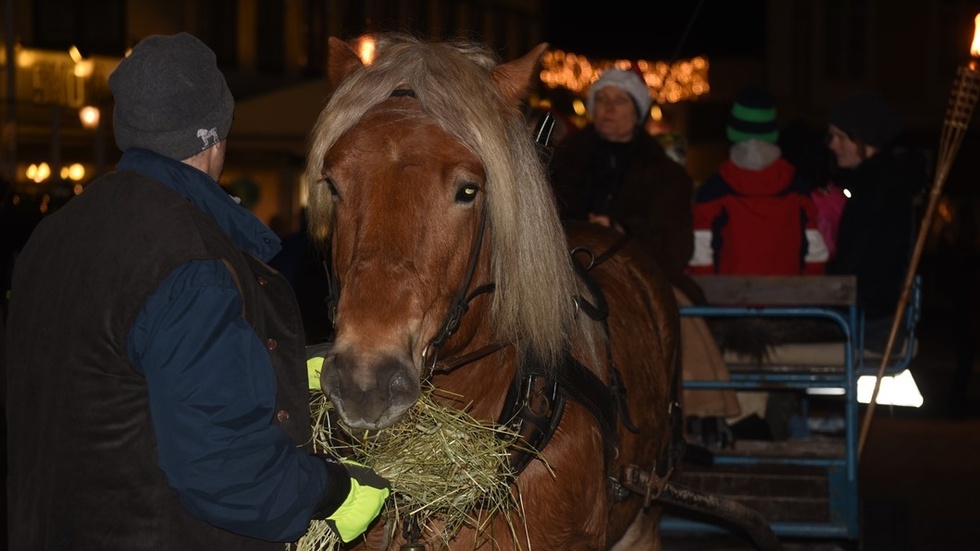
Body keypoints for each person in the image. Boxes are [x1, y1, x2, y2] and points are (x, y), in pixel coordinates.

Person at [6, 32, 389, 549]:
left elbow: (116, 376)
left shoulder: (57, 233)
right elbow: (227, 470)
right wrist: (333, 491)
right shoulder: (189, 256)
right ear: (217, 130)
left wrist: (285, 371)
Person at [550, 67, 740, 446]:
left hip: (639, 270)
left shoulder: (665, 174)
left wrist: (624, 233)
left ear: (637, 110)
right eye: (602, 99)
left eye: (619, 100)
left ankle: (703, 412)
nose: (608, 108)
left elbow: (675, 245)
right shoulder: (562, 162)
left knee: (678, 311)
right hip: (566, 268)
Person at [825, 90, 928, 352]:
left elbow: (860, 260)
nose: (832, 145)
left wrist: (823, 280)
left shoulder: (875, 188)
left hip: (867, 318)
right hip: (872, 311)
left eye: (839, 136)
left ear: (861, 138)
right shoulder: (878, 183)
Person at [689, 85, 829, 276]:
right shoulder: (797, 188)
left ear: (733, 130)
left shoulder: (713, 191)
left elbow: (700, 253)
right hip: (790, 301)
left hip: (726, 302)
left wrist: (706, 299)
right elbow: (815, 251)